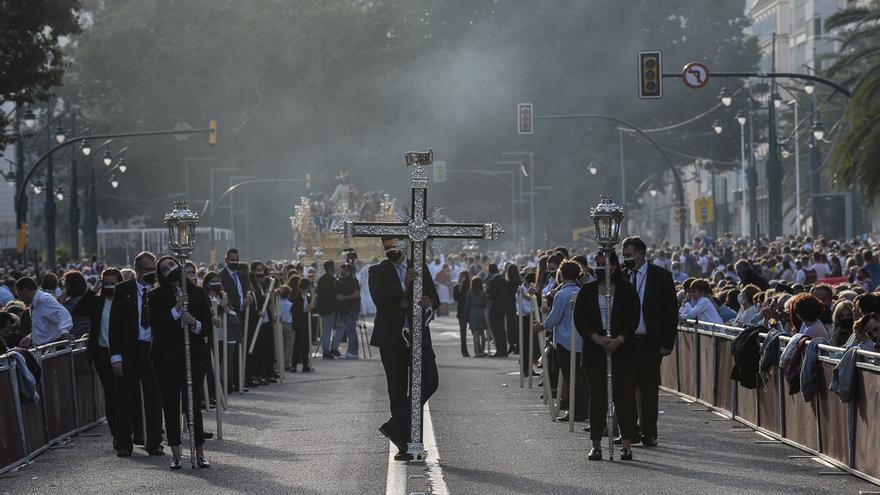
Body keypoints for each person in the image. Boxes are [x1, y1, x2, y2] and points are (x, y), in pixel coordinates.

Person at [369, 236, 440, 461]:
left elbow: (435, 297)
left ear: (404, 246)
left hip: (419, 335)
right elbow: (379, 299)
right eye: (387, 247)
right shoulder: (377, 271)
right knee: (397, 390)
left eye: (395, 246)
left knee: (430, 381)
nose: (391, 250)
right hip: (392, 337)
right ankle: (406, 443)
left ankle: (395, 426)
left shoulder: (419, 266)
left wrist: (429, 302)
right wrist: (403, 287)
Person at [573, 250, 640, 461]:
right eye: (598, 264)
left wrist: (619, 340)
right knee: (598, 398)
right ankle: (596, 444)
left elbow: (633, 318)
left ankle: (627, 443)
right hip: (595, 349)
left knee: (623, 398)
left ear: (614, 266)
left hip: (622, 350)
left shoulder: (627, 290)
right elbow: (580, 318)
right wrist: (595, 337)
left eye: (605, 264)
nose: (602, 268)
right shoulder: (588, 290)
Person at [149, 255, 213, 469]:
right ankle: (176, 453)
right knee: (170, 404)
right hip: (166, 359)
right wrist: (176, 310)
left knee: (192, 403)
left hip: (193, 356)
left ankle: (200, 452)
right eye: (165, 268)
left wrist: (194, 323)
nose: (170, 269)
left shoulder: (197, 292)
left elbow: (206, 327)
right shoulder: (156, 296)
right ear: (161, 275)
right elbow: (156, 326)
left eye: (172, 264)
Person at [622, 236, 678, 447]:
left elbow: (671, 312)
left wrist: (666, 343)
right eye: (624, 255)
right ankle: (629, 431)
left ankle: (649, 431)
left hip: (650, 342)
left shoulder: (660, 276)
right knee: (625, 389)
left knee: (648, 390)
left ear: (641, 254)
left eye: (629, 255)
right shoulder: (621, 275)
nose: (625, 259)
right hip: (625, 342)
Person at [108, 251, 164, 458]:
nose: (152, 274)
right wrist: (115, 357)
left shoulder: (160, 291)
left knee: (153, 398)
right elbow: (114, 326)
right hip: (129, 351)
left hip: (152, 351)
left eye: (154, 269)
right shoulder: (123, 290)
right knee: (125, 398)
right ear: (138, 271)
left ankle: (154, 442)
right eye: (149, 270)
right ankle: (124, 443)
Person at [72, 267, 122, 449]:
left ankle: (132, 430)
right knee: (111, 394)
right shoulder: (97, 302)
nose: (110, 287)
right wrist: (93, 289)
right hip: (102, 352)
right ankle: (117, 434)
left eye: (113, 283)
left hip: (124, 355)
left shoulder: (125, 301)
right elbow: (78, 310)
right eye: (106, 283)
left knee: (125, 393)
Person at [534, 261, 587, 422]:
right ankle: (581, 409)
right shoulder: (581, 291)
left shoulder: (561, 294)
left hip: (564, 340)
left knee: (571, 377)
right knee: (578, 376)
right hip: (580, 340)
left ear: (562, 275)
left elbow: (555, 317)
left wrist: (542, 325)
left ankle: (576, 410)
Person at [15, 276, 73, 348]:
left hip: (52, 349)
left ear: (25, 291)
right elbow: (43, 325)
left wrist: (64, 332)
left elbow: (63, 314)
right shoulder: (35, 303)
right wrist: (30, 337)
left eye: (19, 294)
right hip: (44, 348)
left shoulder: (44, 300)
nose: (20, 298)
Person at [316, 260, 341, 359]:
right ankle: (330, 350)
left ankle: (328, 350)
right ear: (331, 268)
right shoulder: (330, 279)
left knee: (327, 329)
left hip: (323, 307)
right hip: (330, 308)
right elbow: (333, 294)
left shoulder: (322, 279)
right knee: (335, 328)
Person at [336, 262, 361, 359]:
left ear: (348, 271)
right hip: (346, 309)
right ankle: (351, 351)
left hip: (351, 308)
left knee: (351, 330)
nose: (341, 271)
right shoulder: (343, 280)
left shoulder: (352, 281)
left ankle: (353, 352)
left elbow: (356, 294)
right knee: (350, 330)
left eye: (343, 269)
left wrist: (344, 298)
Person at [288, 276, 313, 372]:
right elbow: (294, 309)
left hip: (305, 324)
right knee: (298, 345)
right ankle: (294, 365)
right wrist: (306, 309)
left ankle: (305, 365)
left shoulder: (307, 297)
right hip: (299, 325)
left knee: (306, 345)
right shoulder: (298, 297)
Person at [485, 264, 509, 357]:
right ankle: (504, 349)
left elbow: (491, 295)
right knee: (502, 329)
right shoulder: (504, 281)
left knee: (496, 329)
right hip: (503, 307)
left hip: (494, 308)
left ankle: (499, 350)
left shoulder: (491, 282)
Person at [467, 277, 489, 357]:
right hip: (481, 312)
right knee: (482, 333)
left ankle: (477, 352)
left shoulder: (470, 293)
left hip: (473, 312)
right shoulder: (483, 293)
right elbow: (485, 304)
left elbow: (467, 304)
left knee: (475, 333)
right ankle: (482, 351)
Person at [452, 271, 471, 357]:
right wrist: (459, 287)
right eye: (460, 276)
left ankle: (479, 350)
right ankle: (464, 351)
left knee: (476, 331)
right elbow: (456, 298)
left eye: (463, 276)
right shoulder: (457, 287)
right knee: (463, 333)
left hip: (470, 310)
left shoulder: (469, 286)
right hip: (461, 311)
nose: (462, 278)